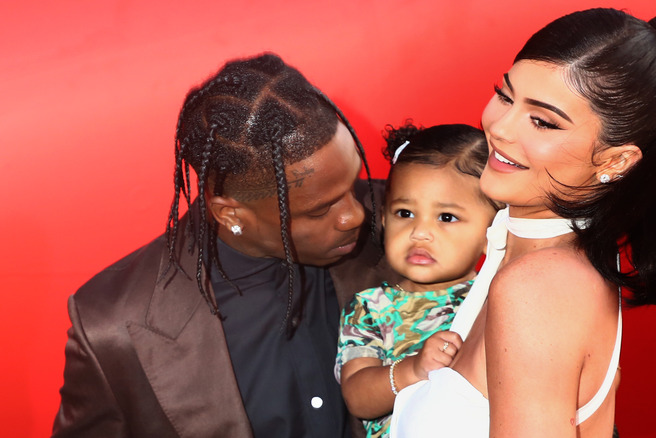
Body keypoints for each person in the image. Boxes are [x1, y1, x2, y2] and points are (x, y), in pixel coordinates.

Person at [390, 7, 656, 437]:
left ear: (614, 161)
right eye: (504, 94)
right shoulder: (527, 252)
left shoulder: (536, 288)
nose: (499, 128)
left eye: (542, 121)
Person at [52, 53, 401, 438]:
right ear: (232, 215)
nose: (354, 215)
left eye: (353, 181)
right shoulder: (113, 326)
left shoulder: (411, 224)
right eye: (320, 210)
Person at [335, 123, 501, 437]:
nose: (419, 232)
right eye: (405, 213)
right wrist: (413, 368)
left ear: (491, 232)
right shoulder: (371, 308)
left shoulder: (498, 299)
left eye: (446, 217)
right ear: (383, 218)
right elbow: (357, 396)